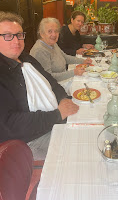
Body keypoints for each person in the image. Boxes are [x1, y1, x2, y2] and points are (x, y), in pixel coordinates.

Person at [0, 11, 79, 159]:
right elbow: (10, 125)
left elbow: (50, 80)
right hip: (29, 141)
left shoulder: (25, 57)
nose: (16, 41)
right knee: (80, 145)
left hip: (53, 117)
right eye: (8, 35)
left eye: (19, 35)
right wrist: (57, 114)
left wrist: (63, 98)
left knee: (88, 119)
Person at [30, 17, 92, 93]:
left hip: (62, 81)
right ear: (42, 34)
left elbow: (65, 57)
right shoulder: (40, 50)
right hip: (53, 88)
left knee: (89, 82)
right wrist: (73, 72)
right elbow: (48, 77)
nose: (54, 34)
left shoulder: (52, 43)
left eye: (56, 31)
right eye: (50, 31)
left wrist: (83, 61)